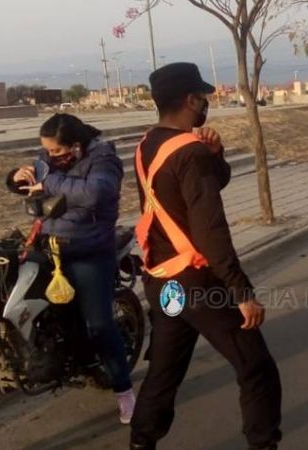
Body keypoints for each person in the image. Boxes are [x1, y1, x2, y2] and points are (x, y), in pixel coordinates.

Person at [129, 62, 282, 450]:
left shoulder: (148, 144)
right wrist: (241, 292)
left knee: (164, 373)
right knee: (255, 368)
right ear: (191, 99)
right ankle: (263, 444)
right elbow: (210, 230)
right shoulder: (189, 153)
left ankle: (140, 443)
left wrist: (215, 154)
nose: (206, 104)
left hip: (163, 281)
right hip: (199, 284)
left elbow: (198, 190)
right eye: (204, 97)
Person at [6, 113, 135, 423]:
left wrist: (47, 180)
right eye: (46, 152)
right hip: (49, 248)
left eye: (56, 152)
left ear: (76, 145)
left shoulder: (104, 160)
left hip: (89, 251)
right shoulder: (49, 160)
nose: (49, 157)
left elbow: (95, 193)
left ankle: (124, 391)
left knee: (100, 325)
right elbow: (30, 185)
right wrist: (16, 179)